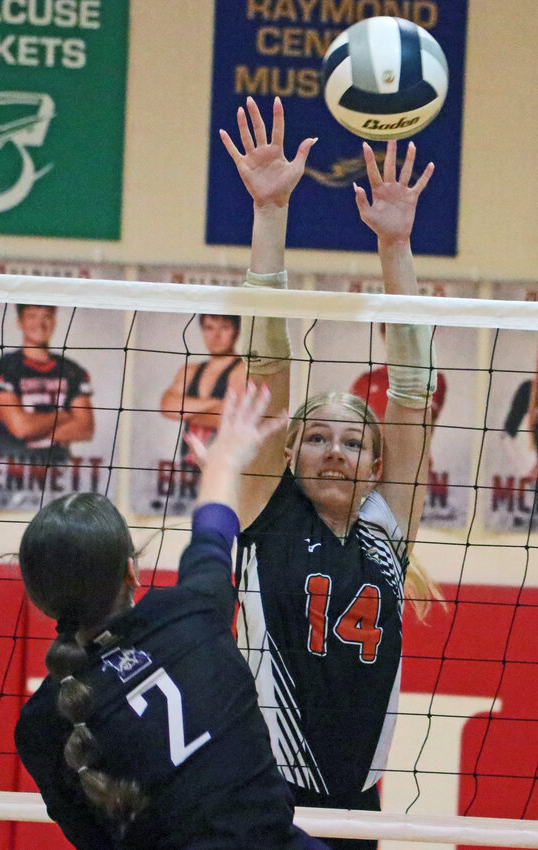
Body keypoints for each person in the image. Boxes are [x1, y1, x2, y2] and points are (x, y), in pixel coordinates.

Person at [220, 96, 436, 849]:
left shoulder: (385, 528)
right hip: (264, 792)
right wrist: (269, 215)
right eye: (315, 436)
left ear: (375, 463)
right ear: (289, 451)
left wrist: (396, 249)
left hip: (357, 804)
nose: (335, 450)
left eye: (351, 441)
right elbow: (267, 361)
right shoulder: (264, 511)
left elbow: (411, 389)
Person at [14, 384, 329, 850]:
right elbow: (211, 536)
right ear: (131, 572)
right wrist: (223, 462)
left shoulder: (42, 725)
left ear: (41, 599)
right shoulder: (187, 613)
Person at [0, 304, 94, 465]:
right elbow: (21, 428)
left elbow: (85, 428)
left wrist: (35, 428)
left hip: (56, 471)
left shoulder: (72, 370)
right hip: (9, 469)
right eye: (32, 316)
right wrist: (63, 416)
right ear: (19, 322)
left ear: (54, 321)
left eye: (46, 316)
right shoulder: (3, 368)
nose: (40, 324)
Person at [160, 313, 247, 466]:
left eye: (224, 328)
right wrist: (215, 404)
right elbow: (167, 405)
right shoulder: (190, 370)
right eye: (209, 328)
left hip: (225, 468)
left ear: (236, 332)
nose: (216, 335)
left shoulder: (243, 370)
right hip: (189, 466)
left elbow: (230, 416)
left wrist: (186, 413)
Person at [350, 324, 447, 424]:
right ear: (385, 337)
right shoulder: (364, 382)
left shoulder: (433, 378)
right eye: (398, 334)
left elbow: (420, 424)